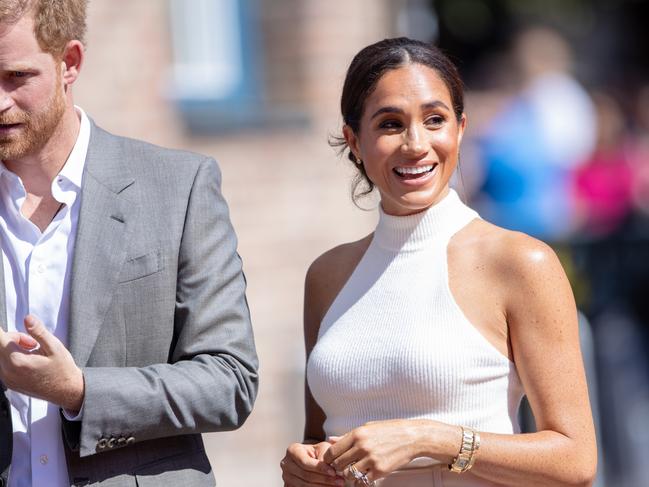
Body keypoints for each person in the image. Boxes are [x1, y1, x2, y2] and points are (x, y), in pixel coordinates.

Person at [280, 37, 596, 487]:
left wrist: (430, 438)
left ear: (460, 129)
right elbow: (321, 440)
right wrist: (302, 470)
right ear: (354, 140)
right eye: (390, 124)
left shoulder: (519, 261)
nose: (416, 144)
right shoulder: (327, 276)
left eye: (434, 120)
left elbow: (576, 459)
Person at [0, 1, 258, 486]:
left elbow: (230, 382)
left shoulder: (178, 188)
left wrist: (79, 391)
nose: (0, 101)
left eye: (16, 76)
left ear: (70, 62)